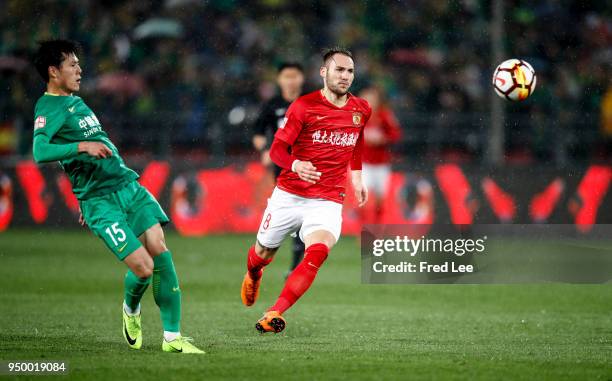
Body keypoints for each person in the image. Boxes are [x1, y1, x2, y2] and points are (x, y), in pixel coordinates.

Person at [32, 40, 203, 354]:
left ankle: (172, 339)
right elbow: (40, 150)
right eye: (72, 64)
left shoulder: (76, 102)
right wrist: (83, 157)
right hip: (100, 201)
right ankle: (130, 309)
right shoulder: (48, 107)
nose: (79, 69)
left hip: (128, 186)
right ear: (53, 71)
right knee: (143, 268)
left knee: (160, 248)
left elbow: (90, 149)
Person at [240, 47, 371, 333]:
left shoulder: (361, 109)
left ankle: (275, 311)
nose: (345, 76)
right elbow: (276, 150)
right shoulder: (303, 107)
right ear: (324, 72)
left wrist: (358, 178)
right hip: (289, 195)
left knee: (318, 252)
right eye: (339, 69)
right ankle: (253, 273)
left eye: (350, 71)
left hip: (327, 198)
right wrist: (296, 164)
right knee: (264, 251)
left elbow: (356, 141)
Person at [252, 62, 306, 276]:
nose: (291, 80)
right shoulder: (272, 105)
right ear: (279, 79)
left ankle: (295, 264)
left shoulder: (311, 102)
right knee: (290, 209)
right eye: (287, 76)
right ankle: (279, 252)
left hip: (308, 164)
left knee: (304, 209)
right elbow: (257, 133)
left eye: (295, 76)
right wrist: (265, 148)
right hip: (282, 164)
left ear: (301, 78)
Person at [358, 86, 402, 224]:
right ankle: (363, 226)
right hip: (363, 163)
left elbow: (396, 134)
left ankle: (376, 225)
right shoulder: (357, 116)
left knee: (380, 199)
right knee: (363, 196)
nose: (369, 101)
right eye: (366, 98)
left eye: (372, 98)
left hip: (381, 164)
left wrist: (383, 139)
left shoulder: (385, 115)